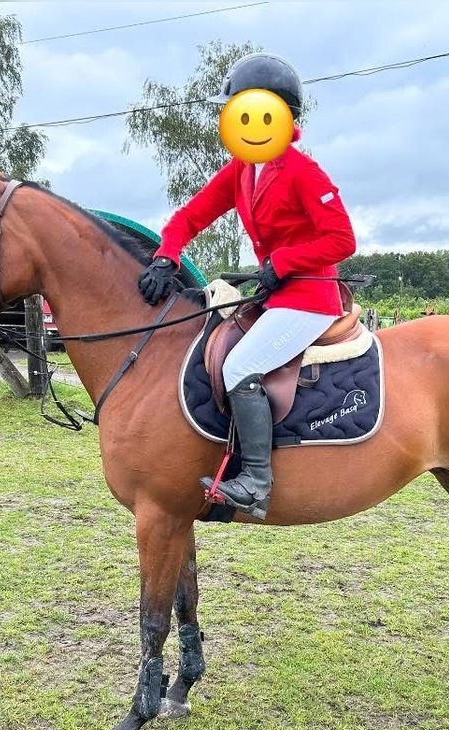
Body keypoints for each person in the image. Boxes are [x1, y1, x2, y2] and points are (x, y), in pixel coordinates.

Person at [137, 53, 356, 519]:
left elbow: (342, 239)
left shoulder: (302, 171)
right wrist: (165, 255)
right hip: (274, 296)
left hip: (309, 298)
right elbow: (190, 215)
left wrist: (287, 261)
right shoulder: (243, 169)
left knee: (240, 366)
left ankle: (256, 483)